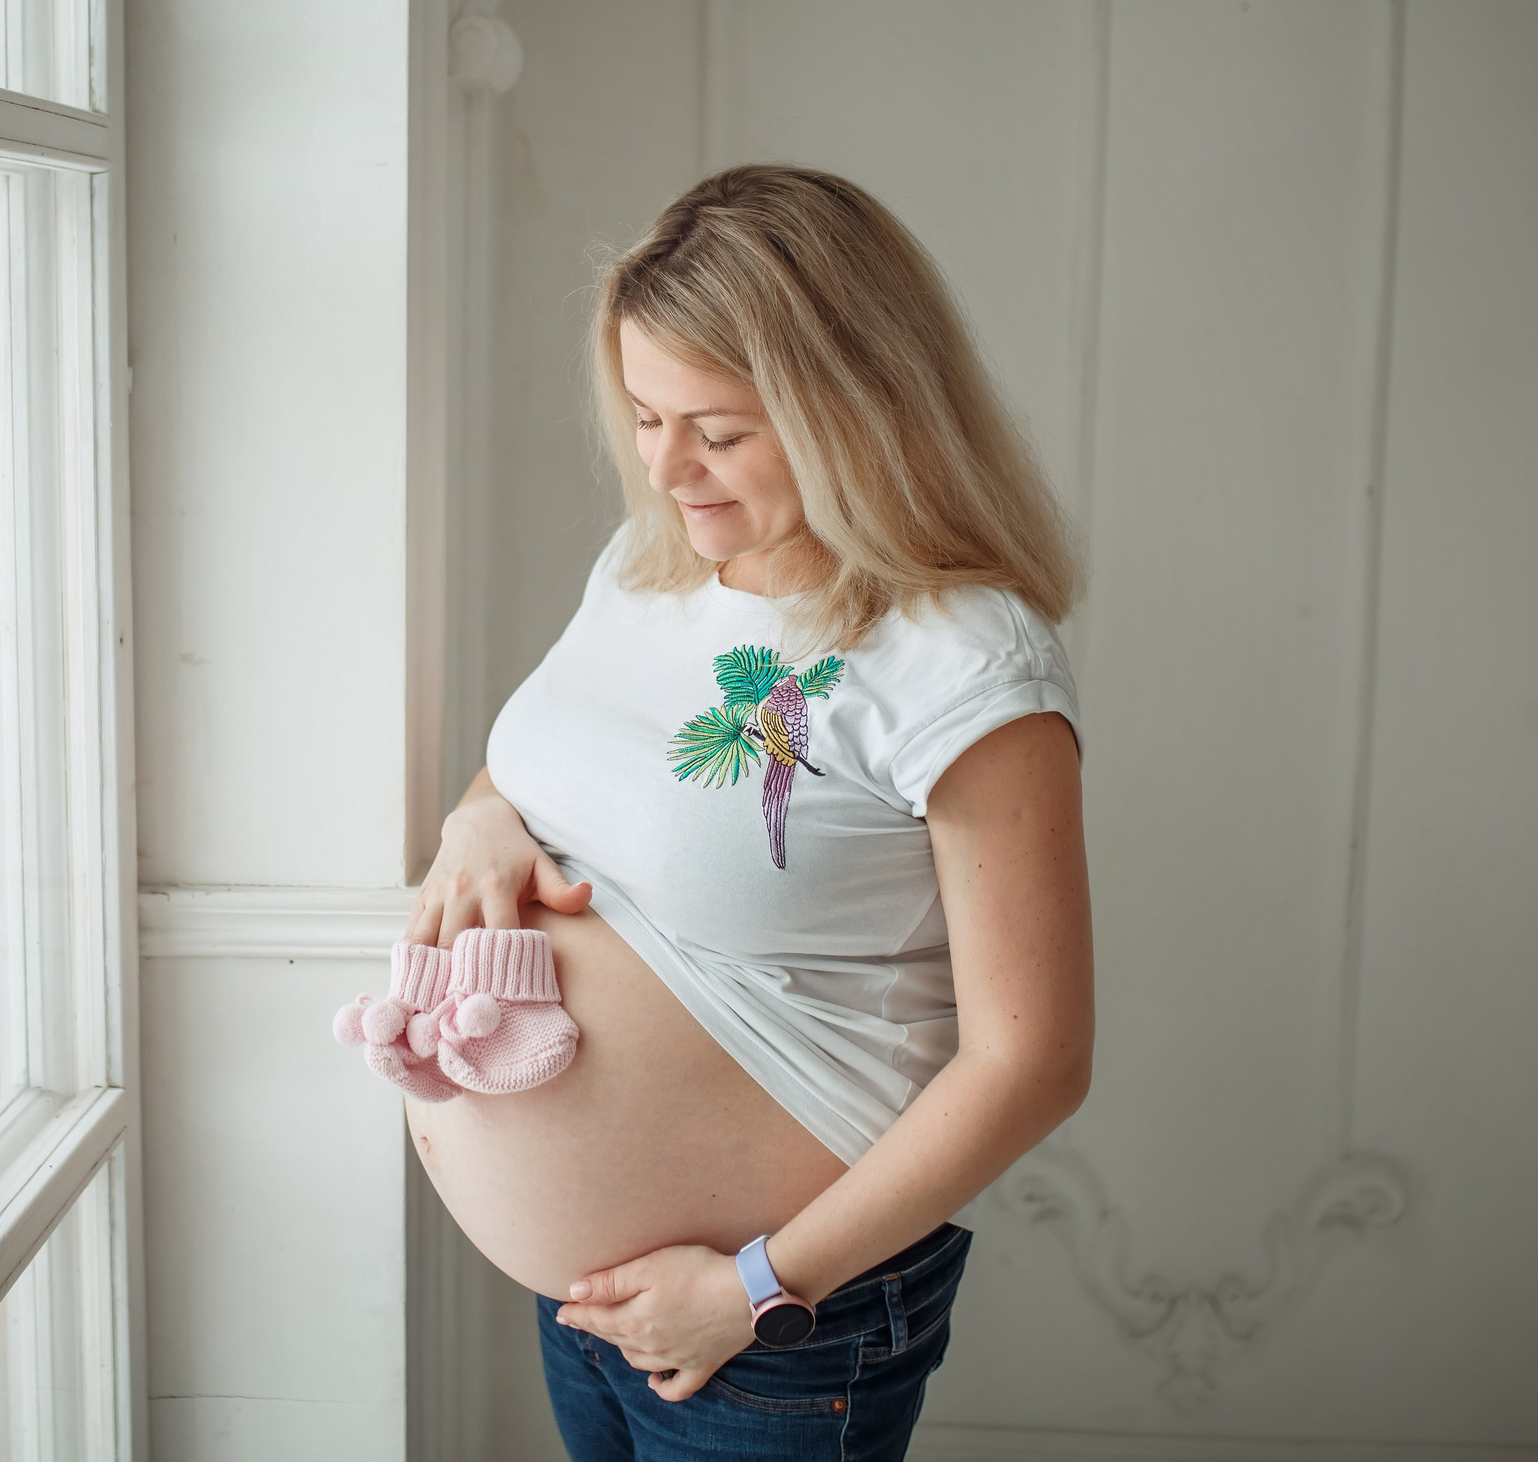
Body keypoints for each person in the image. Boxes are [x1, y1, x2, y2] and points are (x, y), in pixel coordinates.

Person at [394, 164, 1093, 1461]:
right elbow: (563, 770)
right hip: (593, 1307)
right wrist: (476, 820)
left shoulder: (966, 663)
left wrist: (755, 1291)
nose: (664, 468)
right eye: (646, 416)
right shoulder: (652, 567)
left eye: (715, 430)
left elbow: (1032, 1061)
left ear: (856, 408)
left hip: (779, 1323)